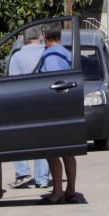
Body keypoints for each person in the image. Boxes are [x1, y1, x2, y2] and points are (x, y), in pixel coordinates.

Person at [37, 23, 78, 204]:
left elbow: (52, 82)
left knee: (52, 151)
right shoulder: (67, 54)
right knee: (68, 152)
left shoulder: (50, 55)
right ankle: (70, 189)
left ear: (46, 37)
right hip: (68, 107)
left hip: (54, 109)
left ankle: (57, 192)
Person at [6, 26, 51, 189]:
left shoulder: (17, 57)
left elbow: (12, 85)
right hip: (45, 103)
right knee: (43, 140)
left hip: (23, 104)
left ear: (24, 40)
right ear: (40, 37)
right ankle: (42, 179)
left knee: (19, 139)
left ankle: (23, 172)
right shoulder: (48, 53)